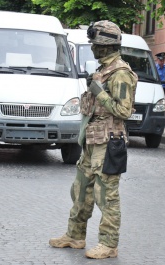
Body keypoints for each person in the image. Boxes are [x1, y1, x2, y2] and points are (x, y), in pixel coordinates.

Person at [49, 20, 137, 259]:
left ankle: (109, 244)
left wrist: (100, 92)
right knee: (80, 190)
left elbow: (124, 111)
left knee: (107, 195)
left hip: (109, 142)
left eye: (96, 44)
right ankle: (74, 236)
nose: (92, 48)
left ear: (106, 46)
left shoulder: (121, 74)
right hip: (92, 140)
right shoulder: (104, 70)